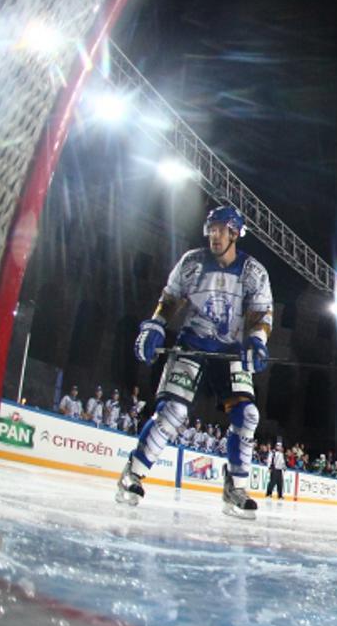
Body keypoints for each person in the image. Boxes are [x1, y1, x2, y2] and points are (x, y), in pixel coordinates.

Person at [115, 204, 273, 519]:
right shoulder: (192, 262)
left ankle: (236, 487)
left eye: (221, 230)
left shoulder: (254, 272)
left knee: (248, 414)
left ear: (235, 233)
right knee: (172, 411)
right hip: (192, 344)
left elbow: (261, 314)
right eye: (211, 229)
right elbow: (170, 298)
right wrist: (156, 324)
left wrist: (257, 340)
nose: (215, 235)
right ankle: (132, 474)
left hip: (229, 352)